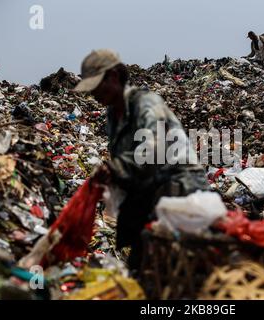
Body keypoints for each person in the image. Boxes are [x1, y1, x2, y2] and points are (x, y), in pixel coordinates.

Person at [74, 49, 209, 270]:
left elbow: (155, 150)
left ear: (114, 76)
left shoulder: (146, 103)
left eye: (97, 85)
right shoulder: (112, 115)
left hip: (181, 191)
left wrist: (115, 168)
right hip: (150, 196)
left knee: (177, 269)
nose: (93, 94)